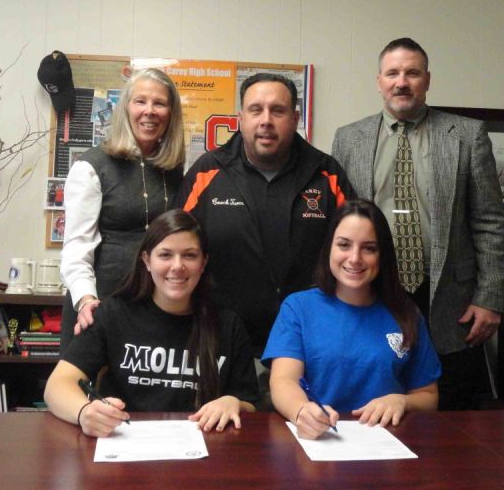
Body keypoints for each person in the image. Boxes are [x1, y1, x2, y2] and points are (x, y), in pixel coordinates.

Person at [331, 38, 504, 410]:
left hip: (448, 299)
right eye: (393, 73)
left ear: (427, 79)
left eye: (412, 73)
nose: (402, 82)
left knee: (451, 417)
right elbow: (341, 223)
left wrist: (489, 297)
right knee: (376, 402)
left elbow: (489, 219)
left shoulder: (467, 135)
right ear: (379, 80)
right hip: (374, 289)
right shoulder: (348, 139)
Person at [176, 72, 354, 405]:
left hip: (308, 343)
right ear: (240, 118)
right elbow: (170, 249)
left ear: (296, 118)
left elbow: (357, 252)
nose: (266, 121)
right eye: (256, 110)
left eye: (278, 110)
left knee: (301, 443)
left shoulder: (326, 174)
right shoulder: (206, 172)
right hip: (223, 340)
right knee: (227, 440)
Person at [44, 209, 259, 437]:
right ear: (147, 260)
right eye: (165, 255)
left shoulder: (228, 324)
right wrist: (84, 412)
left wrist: (232, 401)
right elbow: (57, 385)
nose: (177, 266)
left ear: (203, 263)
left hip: (203, 451)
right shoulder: (112, 315)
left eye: (190, 255)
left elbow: (250, 403)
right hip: (124, 448)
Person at [262, 199, 440, 439]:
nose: (355, 258)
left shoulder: (406, 312)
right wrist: (302, 410)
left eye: (369, 248)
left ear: (382, 255)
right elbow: (283, 380)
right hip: (319, 440)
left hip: (387, 444)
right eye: (344, 245)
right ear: (329, 249)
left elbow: (429, 396)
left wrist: (402, 401)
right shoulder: (298, 307)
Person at [60, 68, 185, 352]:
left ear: (171, 113)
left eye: (160, 103)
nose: (149, 111)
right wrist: (86, 300)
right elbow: (77, 246)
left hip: (153, 309)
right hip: (99, 305)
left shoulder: (173, 169)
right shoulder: (91, 167)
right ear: (126, 107)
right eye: (140, 101)